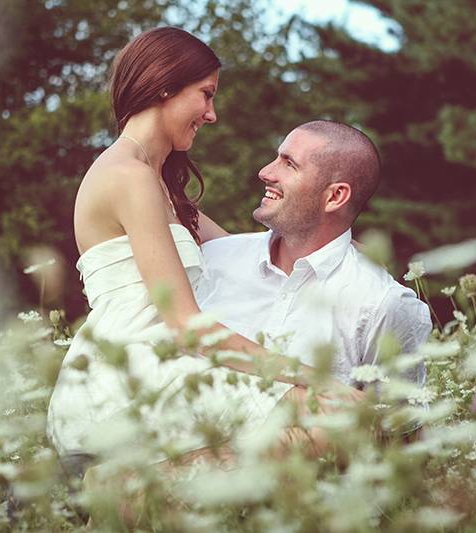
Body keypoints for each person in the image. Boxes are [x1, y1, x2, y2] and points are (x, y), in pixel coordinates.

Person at [46, 28, 363, 479]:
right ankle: (114, 493)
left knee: (349, 418)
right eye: (206, 95)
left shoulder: (160, 188)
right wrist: (311, 375)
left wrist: (343, 247)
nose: (211, 114)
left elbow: (252, 252)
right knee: (341, 415)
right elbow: (187, 327)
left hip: (165, 365)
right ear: (164, 86)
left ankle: (128, 489)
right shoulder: (128, 176)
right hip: (133, 373)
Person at [196, 120, 432, 399]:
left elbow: (399, 429)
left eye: (289, 164)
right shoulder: (214, 259)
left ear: (334, 196)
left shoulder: (383, 304)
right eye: (276, 158)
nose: (265, 172)